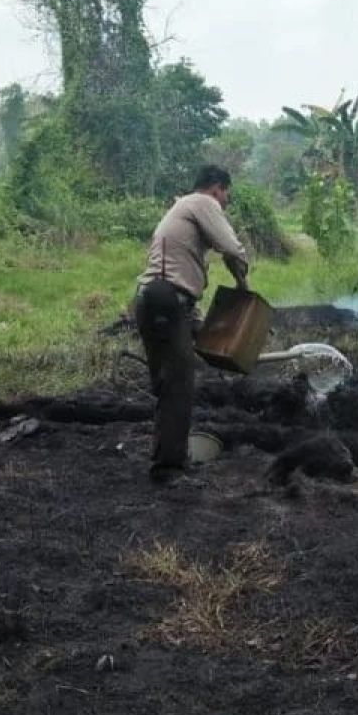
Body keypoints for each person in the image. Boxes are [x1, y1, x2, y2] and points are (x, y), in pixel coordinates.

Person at [134, 165, 250, 484]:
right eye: (227, 195)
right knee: (177, 385)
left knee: (171, 383)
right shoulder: (201, 203)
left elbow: (181, 278)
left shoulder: (182, 208)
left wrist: (203, 329)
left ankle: (169, 458)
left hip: (159, 300)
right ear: (216, 188)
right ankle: (168, 469)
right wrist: (244, 284)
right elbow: (232, 248)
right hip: (165, 299)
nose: (226, 203)